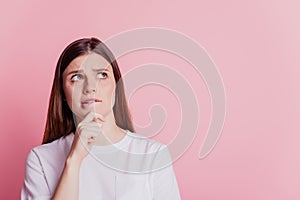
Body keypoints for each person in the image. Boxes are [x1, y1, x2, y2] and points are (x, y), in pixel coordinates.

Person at [21, 38, 181, 199]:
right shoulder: (41, 159)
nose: (90, 87)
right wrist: (74, 160)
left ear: (116, 85)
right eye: (76, 77)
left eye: (102, 75)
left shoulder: (152, 155)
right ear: (63, 92)